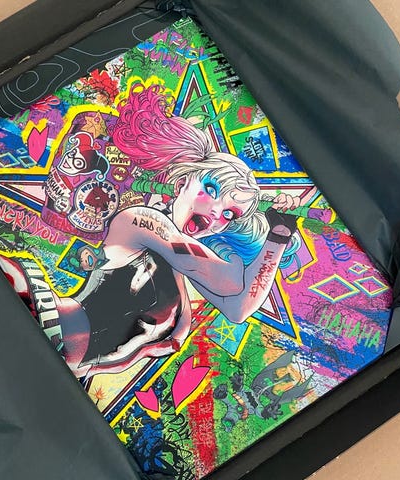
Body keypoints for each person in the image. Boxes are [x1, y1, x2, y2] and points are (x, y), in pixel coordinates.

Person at [16, 83, 302, 377]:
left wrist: (278, 236)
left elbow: (238, 309)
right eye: (211, 190)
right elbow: (230, 283)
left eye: (230, 213)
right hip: (41, 328)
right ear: (181, 184)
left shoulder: (180, 268)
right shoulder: (142, 221)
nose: (217, 213)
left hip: (62, 373)